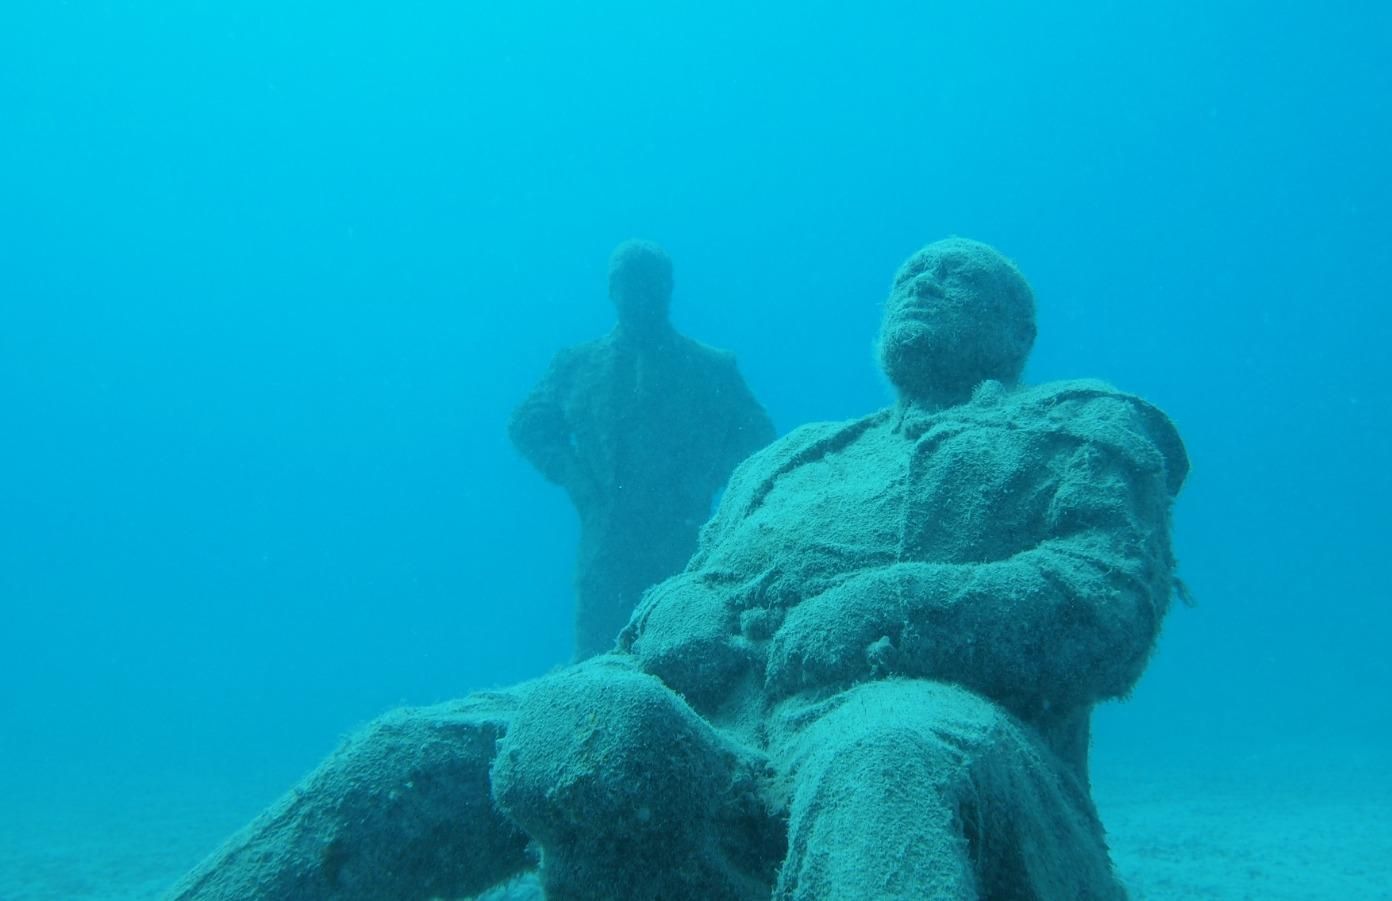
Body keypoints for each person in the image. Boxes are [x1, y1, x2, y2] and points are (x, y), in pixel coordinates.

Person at [170, 238, 1188, 901]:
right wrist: (674, 605)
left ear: (1018, 333)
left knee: (882, 757)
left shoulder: (1082, 426)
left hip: (917, 716)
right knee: (436, 746)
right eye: (907, 275)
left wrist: (898, 605)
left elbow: (1106, 601)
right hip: (717, 719)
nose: (922, 282)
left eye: (958, 277)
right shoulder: (794, 457)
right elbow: (695, 575)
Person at [510, 240, 774, 658]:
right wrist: (576, 480)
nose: (638, 293)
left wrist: (705, 480)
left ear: (668, 287)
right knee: (596, 666)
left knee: (688, 659)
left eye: (649, 281)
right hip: (604, 551)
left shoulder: (711, 368)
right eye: (627, 282)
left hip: (684, 547)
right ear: (610, 289)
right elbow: (528, 424)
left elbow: (759, 440)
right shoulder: (576, 365)